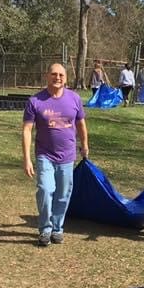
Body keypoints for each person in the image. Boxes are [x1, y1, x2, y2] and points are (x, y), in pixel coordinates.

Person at [22, 63, 89, 246]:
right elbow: (27, 130)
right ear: (47, 76)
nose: (57, 77)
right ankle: (45, 229)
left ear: (66, 78)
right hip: (45, 155)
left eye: (61, 75)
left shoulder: (74, 99)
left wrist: (84, 145)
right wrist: (27, 158)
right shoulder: (35, 101)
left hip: (67, 156)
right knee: (45, 189)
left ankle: (57, 229)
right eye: (54, 74)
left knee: (63, 194)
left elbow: (81, 124)